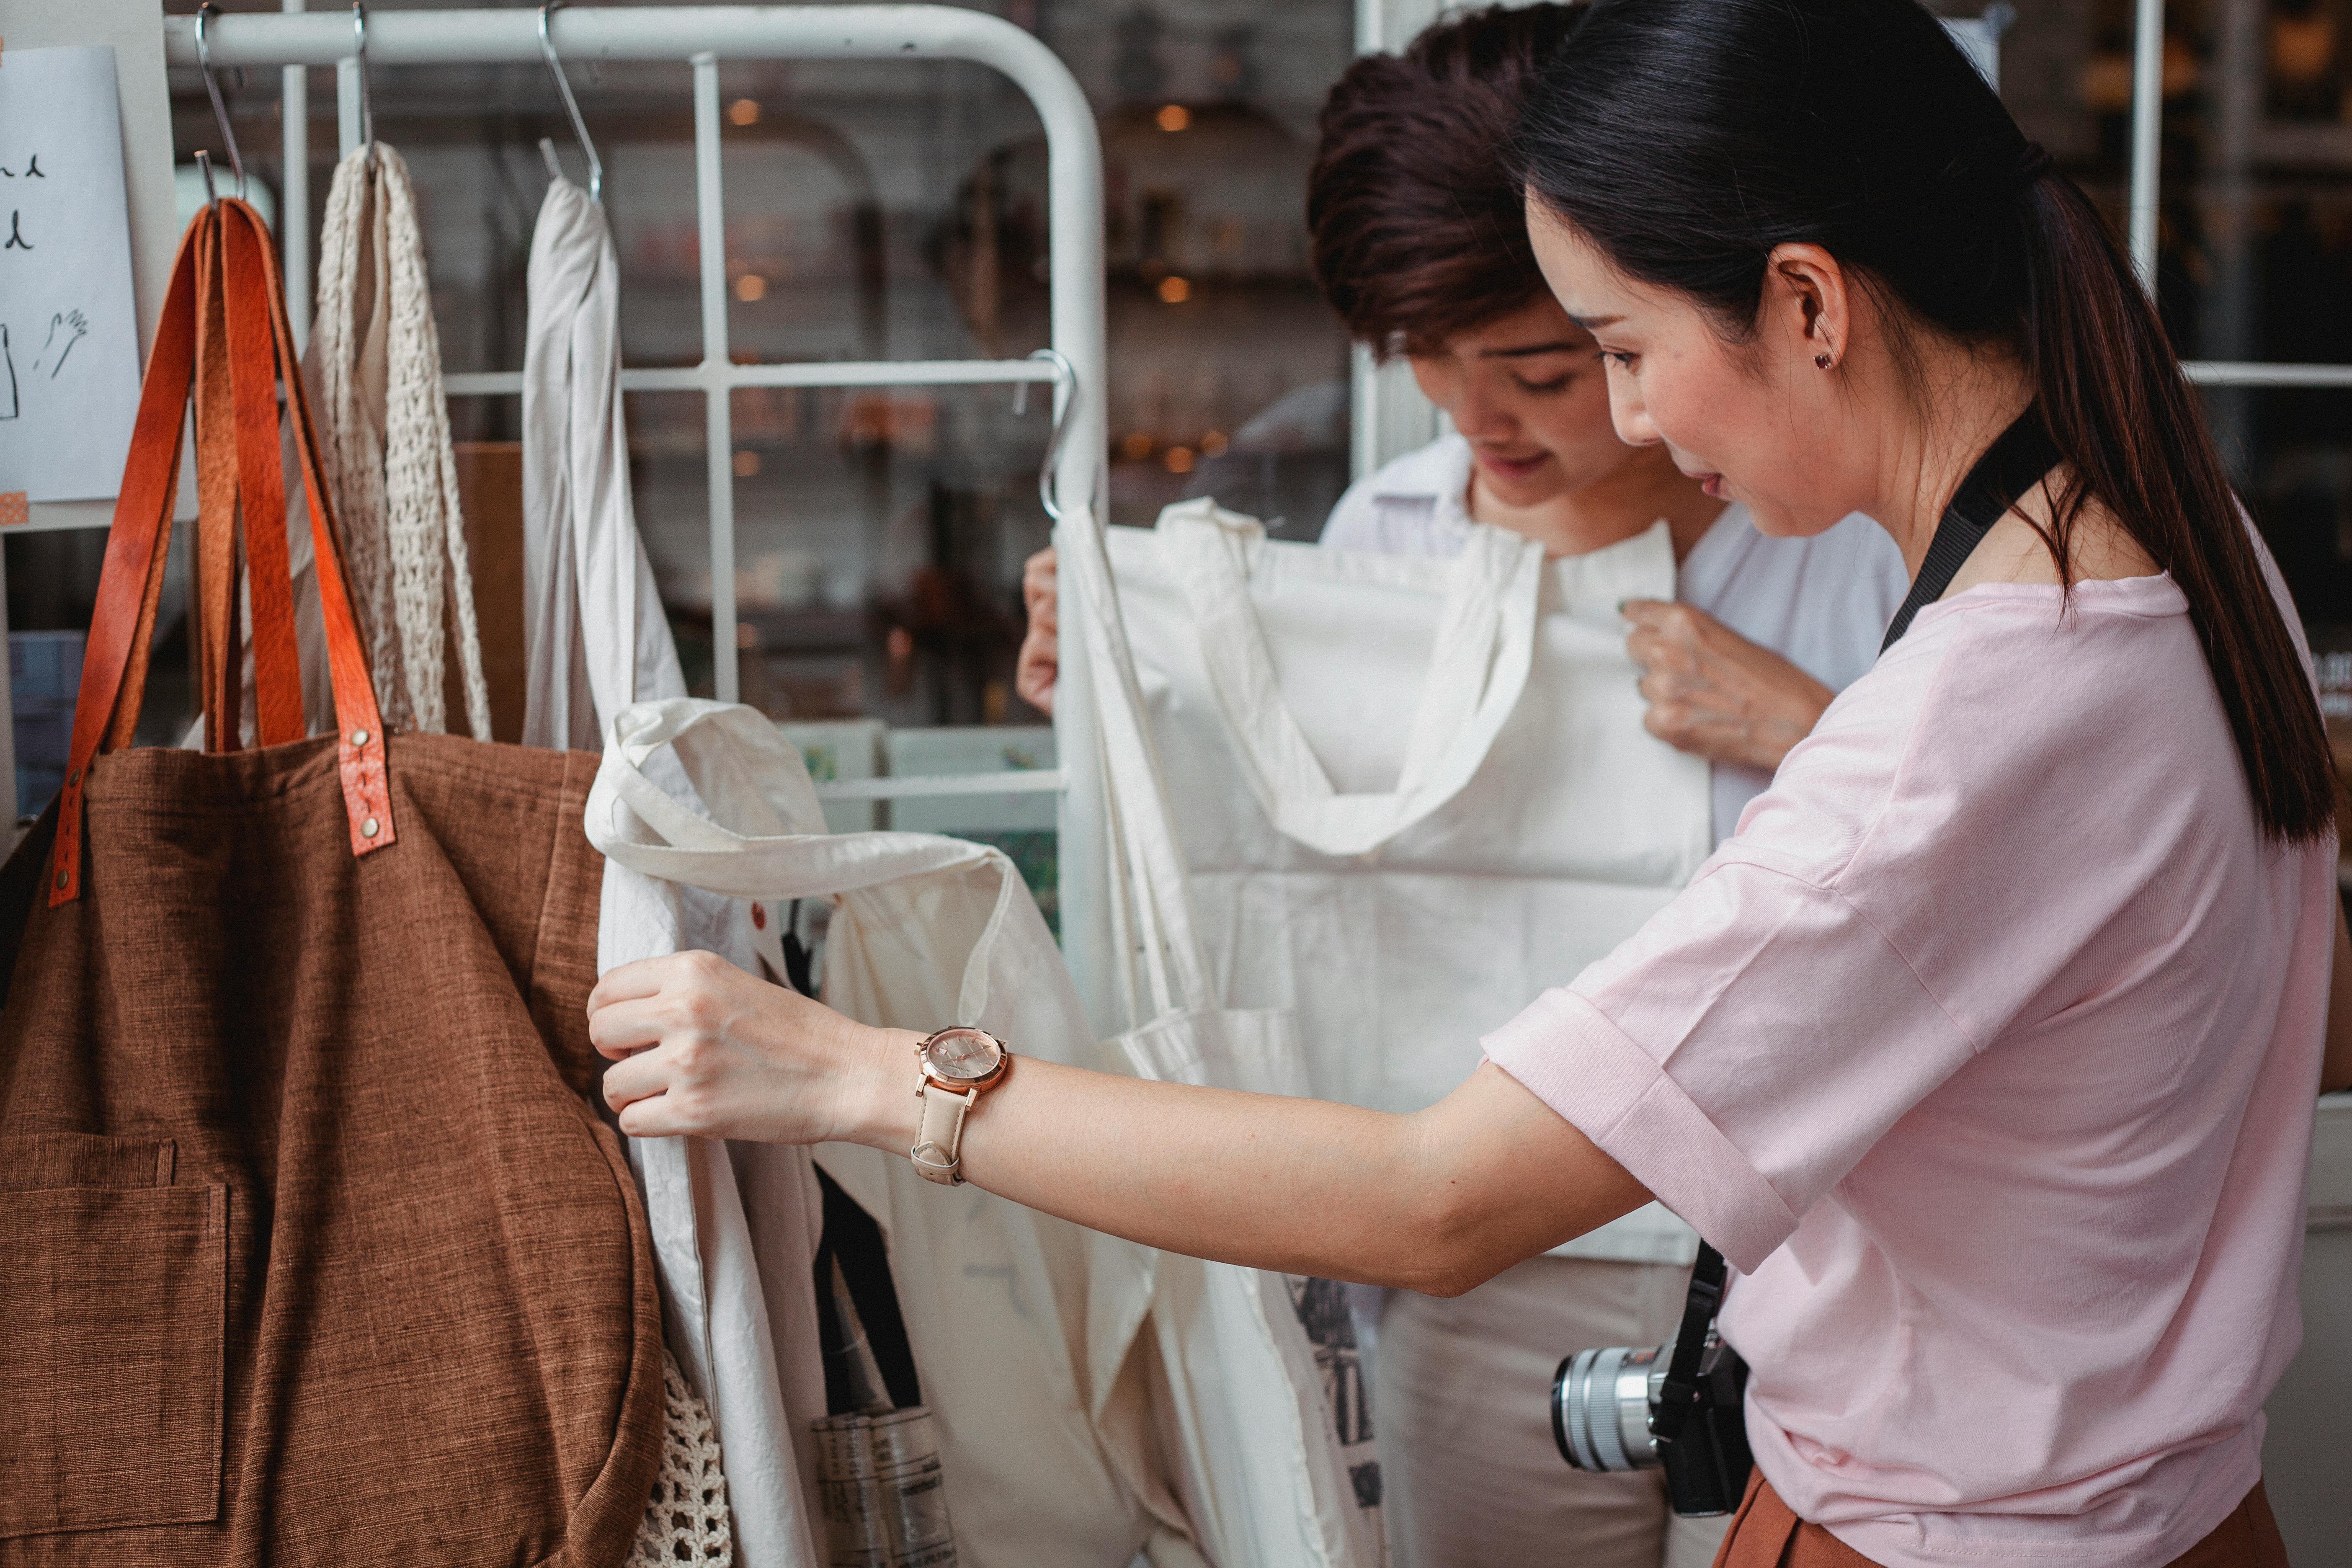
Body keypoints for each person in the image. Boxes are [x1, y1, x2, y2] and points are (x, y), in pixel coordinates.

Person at [588, 0, 2352, 1563]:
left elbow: (1439, 1201)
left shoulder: (1963, 726)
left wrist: (869, 1074)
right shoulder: (2177, 555)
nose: (1636, 420)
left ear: (1806, 303)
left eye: (1622, 348)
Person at [1025, 11, 1909, 1564]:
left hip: (1822, 1252)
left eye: (1548, 369)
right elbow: (1299, 884)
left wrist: (1808, 731)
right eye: (1424, 365)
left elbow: (1999, 872)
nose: (1472, 419)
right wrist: (1117, 687)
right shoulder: (1392, 538)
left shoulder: (1853, 551)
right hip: (1490, 1263)